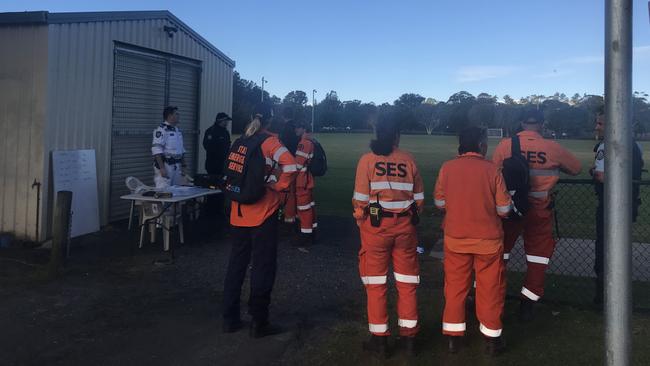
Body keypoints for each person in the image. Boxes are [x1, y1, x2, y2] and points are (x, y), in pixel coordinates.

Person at [492, 110, 581, 320]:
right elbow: (576, 168)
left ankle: (493, 296)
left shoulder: (506, 145)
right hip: (540, 209)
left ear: (522, 123)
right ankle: (528, 303)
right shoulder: (552, 147)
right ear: (542, 124)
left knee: (499, 254)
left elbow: (493, 173)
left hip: (510, 209)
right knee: (538, 258)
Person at [434, 126, 511, 356]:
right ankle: (491, 340)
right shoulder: (492, 169)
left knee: (455, 288)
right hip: (488, 241)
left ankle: (453, 339)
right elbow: (504, 208)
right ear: (480, 145)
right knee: (490, 289)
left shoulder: (447, 168)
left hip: (456, 239)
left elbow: (439, 203)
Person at [352, 117, 425, 358]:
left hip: (375, 230)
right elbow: (420, 200)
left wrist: (362, 221)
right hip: (405, 229)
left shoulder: (367, 160)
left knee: (376, 285)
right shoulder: (409, 159)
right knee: (406, 284)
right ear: (397, 137)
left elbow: (360, 201)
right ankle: (409, 340)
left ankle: (380, 341)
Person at [221, 111, 298, 338]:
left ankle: (230, 318)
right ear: (270, 121)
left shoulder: (240, 142)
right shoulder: (270, 141)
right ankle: (259, 321)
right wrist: (279, 185)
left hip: (238, 212)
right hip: (263, 213)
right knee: (263, 266)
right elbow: (291, 166)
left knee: (236, 265)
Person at [590, 107, 644, 304]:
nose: (597, 127)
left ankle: (603, 296)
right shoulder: (635, 145)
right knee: (621, 247)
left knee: (604, 248)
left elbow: (602, 176)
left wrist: (593, 172)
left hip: (609, 206)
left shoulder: (606, 146)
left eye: (600, 123)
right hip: (629, 205)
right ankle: (621, 291)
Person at [294, 120, 317, 249]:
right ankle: (311, 232)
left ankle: (305, 237)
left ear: (303, 128)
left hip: (302, 181)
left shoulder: (304, 143)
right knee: (310, 207)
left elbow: (297, 165)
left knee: (304, 210)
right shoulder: (310, 142)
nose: (295, 130)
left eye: (298, 127)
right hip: (307, 180)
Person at [152, 106, 186, 188]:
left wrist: (184, 165)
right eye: (176, 114)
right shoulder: (161, 130)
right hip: (166, 166)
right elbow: (157, 150)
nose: (179, 116)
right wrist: (162, 168)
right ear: (170, 116)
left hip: (176, 166)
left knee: (176, 192)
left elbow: (181, 150)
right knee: (164, 193)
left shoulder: (177, 131)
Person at [279, 107, 300, 225]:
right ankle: (296, 215)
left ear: (283, 116)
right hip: (297, 163)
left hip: (287, 164)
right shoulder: (295, 128)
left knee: (287, 192)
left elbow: (282, 146)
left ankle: (288, 218)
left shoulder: (285, 129)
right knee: (296, 192)